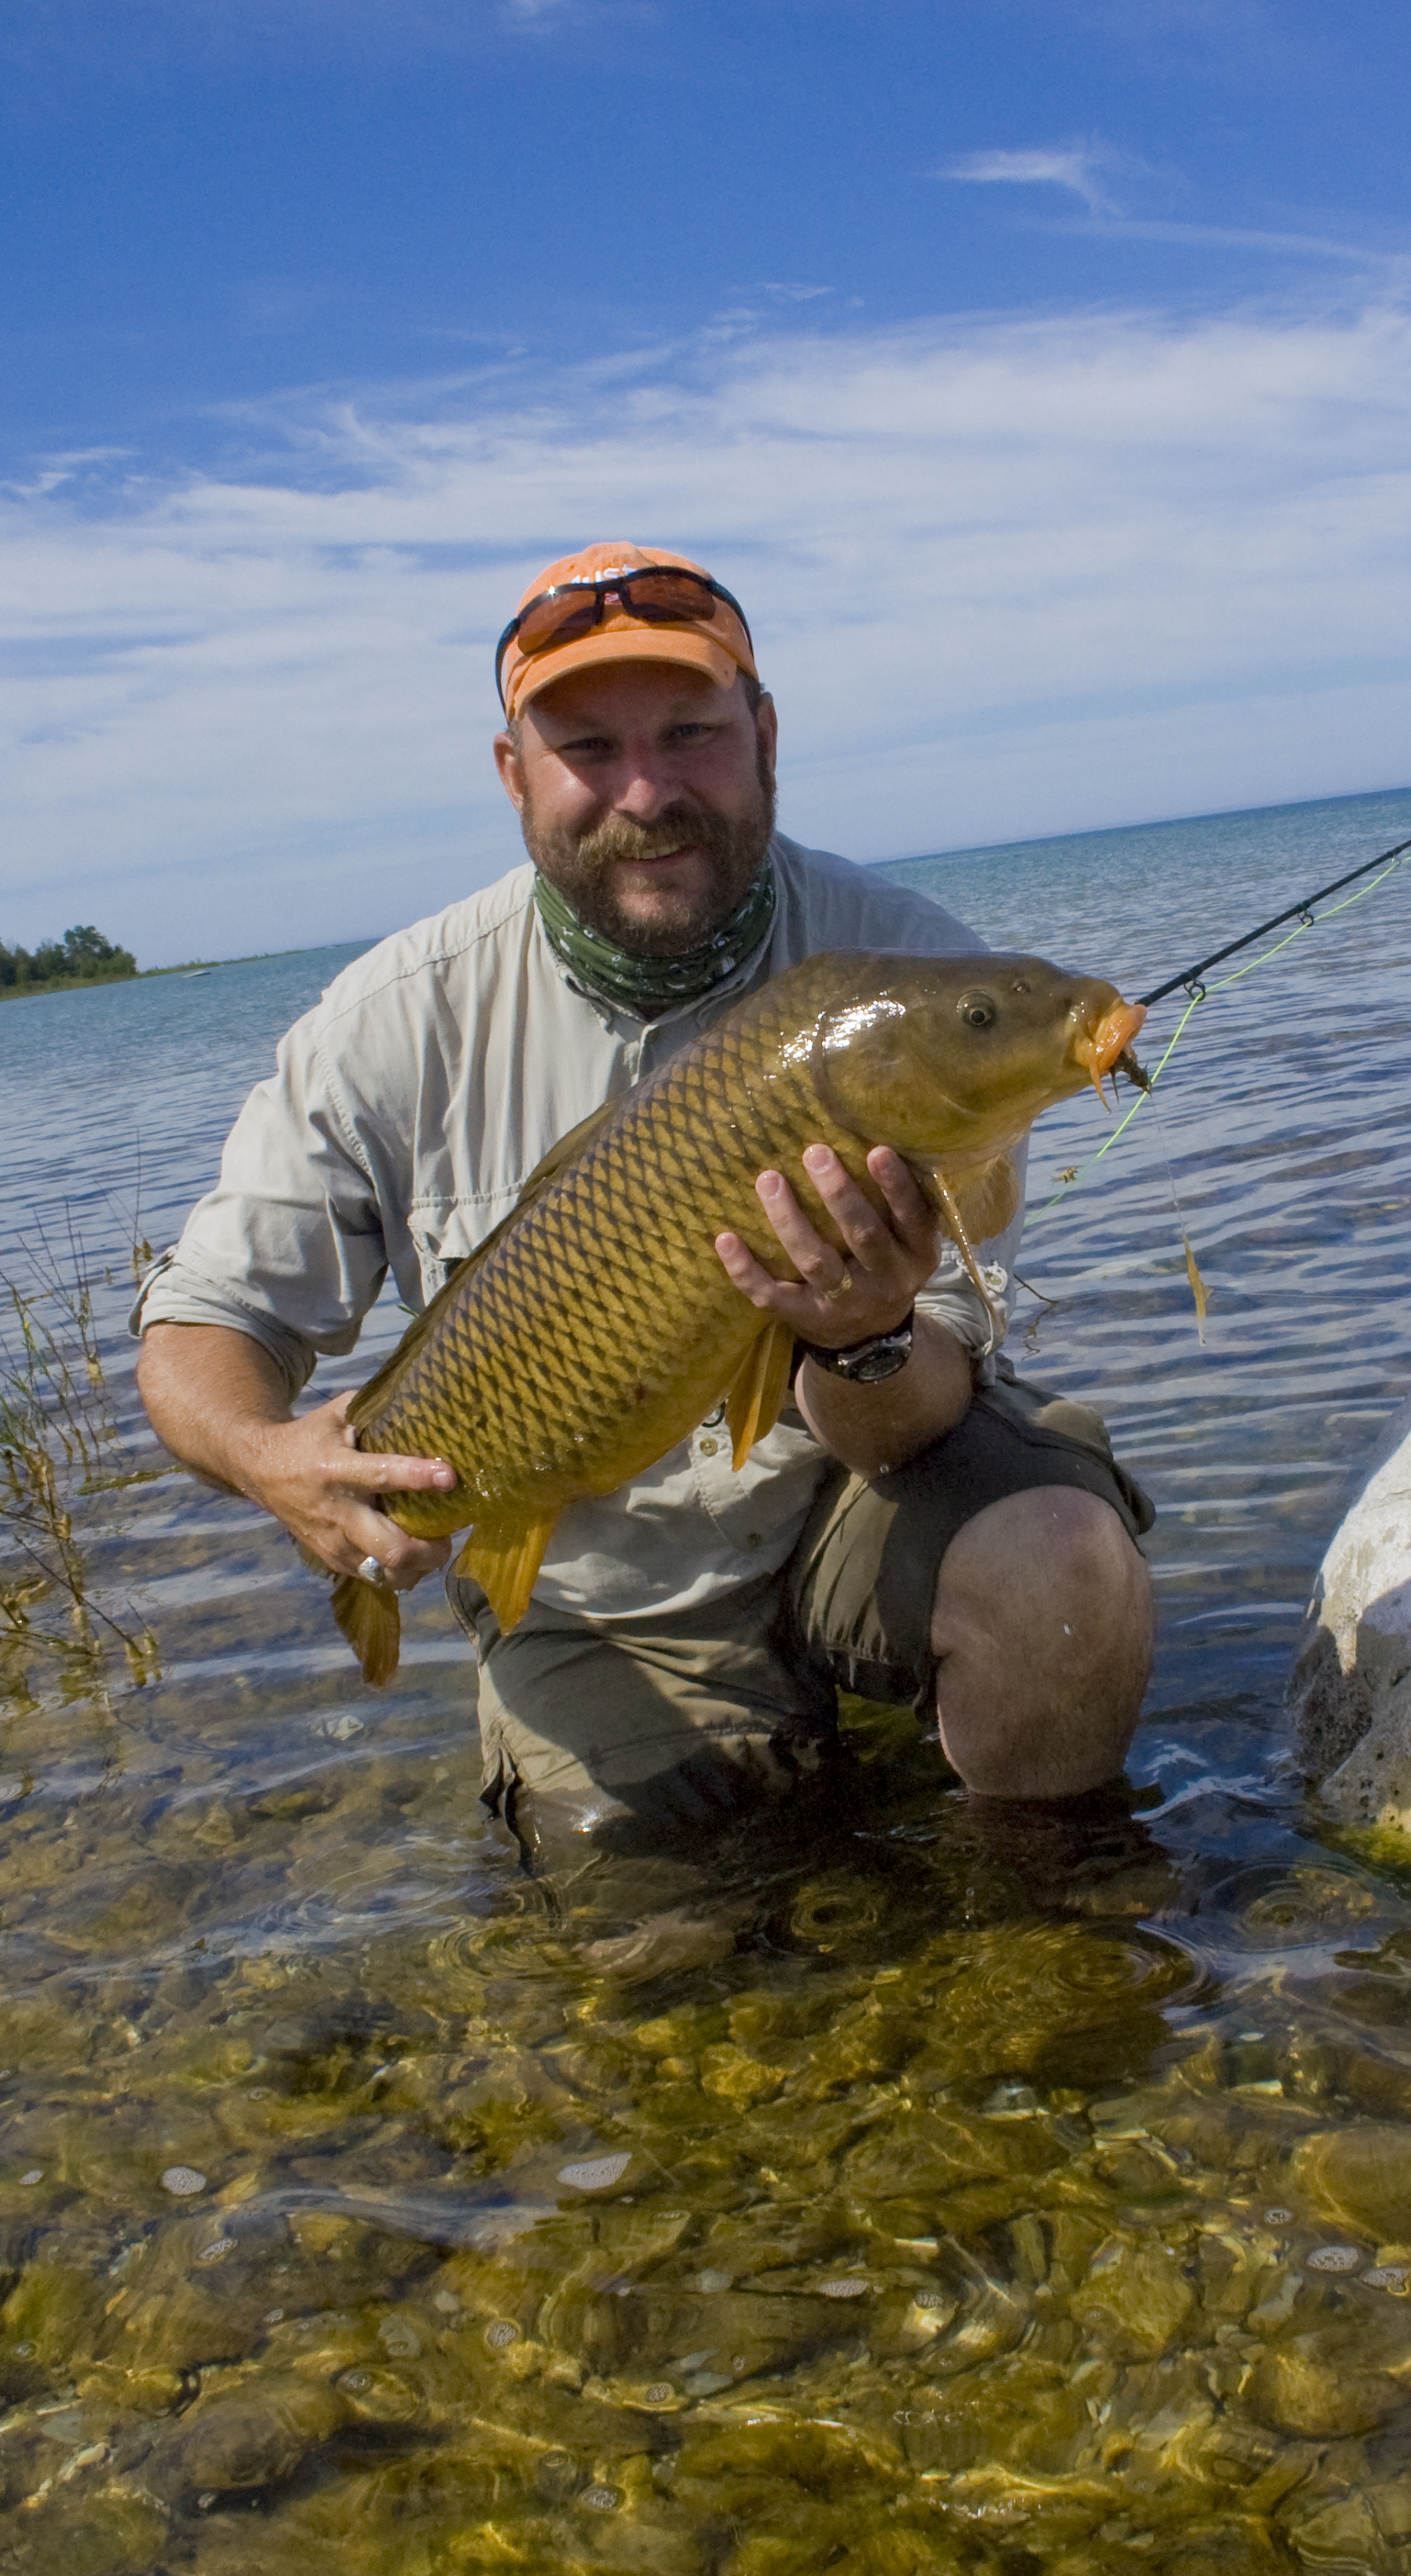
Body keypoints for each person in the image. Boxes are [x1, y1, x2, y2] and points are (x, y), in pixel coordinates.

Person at [135, 541, 1155, 1863]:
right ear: (513, 774)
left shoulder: (896, 966)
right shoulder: (391, 1021)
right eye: (588, 749)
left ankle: (1039, 1932)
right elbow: (201, 1334)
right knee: (644, 1940)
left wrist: (865, 1335)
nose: (649, 791)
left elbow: (917, 1416)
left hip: (863, 1488)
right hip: (594, 1594)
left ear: (765, 736)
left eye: (691, 733)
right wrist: (274, 1459)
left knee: (1062, 1574)